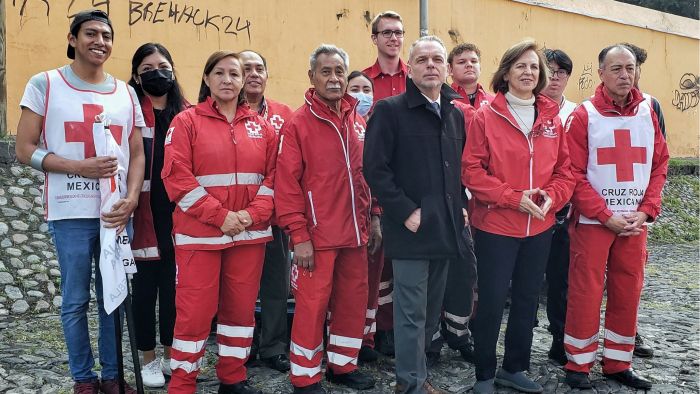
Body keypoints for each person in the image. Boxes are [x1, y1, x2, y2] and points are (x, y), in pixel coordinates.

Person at [14, 9, 145, 394]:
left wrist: (133, 198)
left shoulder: (126, 91)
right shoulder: (45, 83)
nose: (99, 42)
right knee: (74, 300)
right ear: (72, 39)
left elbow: (135, 153)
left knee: (113, 298)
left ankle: (111, 375)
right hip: (69, 209)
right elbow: (25, 150)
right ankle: (83, 379)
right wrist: (78, 166)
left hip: (115, 212)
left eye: (107, 36)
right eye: (91, 33)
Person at [462, 40, 574, 394]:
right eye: (521, 66)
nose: (529, 72)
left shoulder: (553, 116)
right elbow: (472, 171)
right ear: (506, 72)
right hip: (497, 226)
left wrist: (551, 197)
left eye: (535, 67)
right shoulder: (486, 115)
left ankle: (514, 368)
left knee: (527, 300)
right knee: (493, 300)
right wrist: (513, 198)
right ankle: (483, 374)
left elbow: (566, 170)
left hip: (539, 226)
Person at [163, 50, 277, 394]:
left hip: (249, 236)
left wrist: (251, 215)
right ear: (207, 79)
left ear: (244, 82)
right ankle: (183, 383)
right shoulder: (186, 122)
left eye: (235, 74)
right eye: (220, 73)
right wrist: (222, 217)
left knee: (241, 312)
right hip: (200, 237)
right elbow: (176, 178)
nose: (228, 80)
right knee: (195, 314)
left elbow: (275, 178)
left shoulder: (262, 127)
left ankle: (233, 377)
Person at [364, 35, 470, 394]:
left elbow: (457, 170)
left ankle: (417, 374)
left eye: (437, 59)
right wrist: (406, 212)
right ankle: (409, 384)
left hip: (445, 228)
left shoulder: (454, 113)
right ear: (410, 69)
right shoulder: (390, 110)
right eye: (422, 60)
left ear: (445, 68)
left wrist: (463, 209)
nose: (430, 65)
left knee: (429, 311)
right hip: (410, 229)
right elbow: (375, 169)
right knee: (410, 314)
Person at [563, 44, 668, 391]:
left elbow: (659, 165)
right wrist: (604, 214)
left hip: (634, 225)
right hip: (595, 224)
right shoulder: (585, 115)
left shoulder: (648, 110)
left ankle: (618, 363)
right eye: (617, 69)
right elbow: (573, 173)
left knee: (628, 291)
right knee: (585, 292)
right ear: (601, 74)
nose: (626, 75)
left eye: (631, 68)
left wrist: (647, 210)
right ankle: (578, 365)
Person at [275, 44, 375, 394]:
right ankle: (304, 376)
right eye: (326, 72)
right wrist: (299, 236)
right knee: (311, 306)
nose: (334, 78)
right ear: (312, 77)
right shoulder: (298, 123)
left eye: (339, 72)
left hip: (356, 232)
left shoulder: (357, 121)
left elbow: (368, 176)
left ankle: (342, 365)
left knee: (352, 301)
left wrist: (373, 218)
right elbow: (286, 186)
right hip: (317, 236)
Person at [128, 42, 187, 387]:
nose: (156, 73)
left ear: (173, 69)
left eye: (162, 65)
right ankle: (147, 358)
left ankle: (169, 354)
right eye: (147, 69)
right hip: (143, 214)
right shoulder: (129, 111)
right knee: (146, 289)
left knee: (175, 288)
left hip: (181, 213)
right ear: (136, 76)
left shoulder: (187, 112)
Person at [238, 49, 294, 373]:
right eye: (246, 68)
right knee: (240, 287)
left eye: (259, 68)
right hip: (236, 218)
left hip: (274, 217)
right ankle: (241, 345)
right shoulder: (226, 112)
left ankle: (273, 346)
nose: (253, 74)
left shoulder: (285, 114)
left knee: (275, 286)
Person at [360, 10, 408, 358]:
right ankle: (366, 334)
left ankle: (392, 331)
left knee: (401, 263)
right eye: (386, 33)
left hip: (408, 186)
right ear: (374, 38)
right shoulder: (362, 83)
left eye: (398, 33)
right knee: (373, 264)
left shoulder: (416, 77)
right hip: (373, 185)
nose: (393, 38)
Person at [540, 48, 577, 366]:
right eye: (548, 70)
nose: (554, 77)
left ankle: (559, 337)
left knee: (561, 280)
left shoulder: (578, 113)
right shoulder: (522, 107)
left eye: (561, 71)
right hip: (526, 208)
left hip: (566, 212)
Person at [345, 70, 384, 363]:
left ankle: (366, 338)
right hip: (346, 219)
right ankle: (342, 340)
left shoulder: (381, 125)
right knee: (348, 285)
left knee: (372, 282)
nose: (362, 94)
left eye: (366, 89)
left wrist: (378, 215)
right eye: (355, 88)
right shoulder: (343, 126)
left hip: (377, 216)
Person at [448, 43, 494, 109]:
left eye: (474, 61)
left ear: (480, 68)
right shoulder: (442, 101)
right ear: (450, 70)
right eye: (462, 62)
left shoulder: (494, 103)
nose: (469, 65)